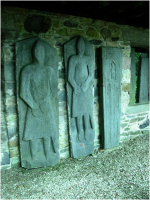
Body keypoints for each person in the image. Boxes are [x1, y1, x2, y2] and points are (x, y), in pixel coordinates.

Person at [20, 40, 58, 160]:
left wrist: (46, 102)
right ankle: (34, 159)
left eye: (42, 51)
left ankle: (48, 158)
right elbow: (23, 92)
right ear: (33, 53)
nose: (40, 54)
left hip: (46, 106)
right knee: (33, 135)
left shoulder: (49, 70)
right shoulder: (27, 70)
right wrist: (33, 105)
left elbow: (54, 91)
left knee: (47, 134)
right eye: (37, 51)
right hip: (33, 107)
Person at [68, 37, 94, 141]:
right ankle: (79, 131)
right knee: (78, 111)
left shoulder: (88, 59)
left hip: (85, 87)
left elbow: (91, 74)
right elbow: (70, 76)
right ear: (76, 47)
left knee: (86, 110)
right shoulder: (73, 59)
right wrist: (75, 87)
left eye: (82, 46)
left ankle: (87, 130)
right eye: (79, 46)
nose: (81, 48)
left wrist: (86, 84)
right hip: (77, 88)